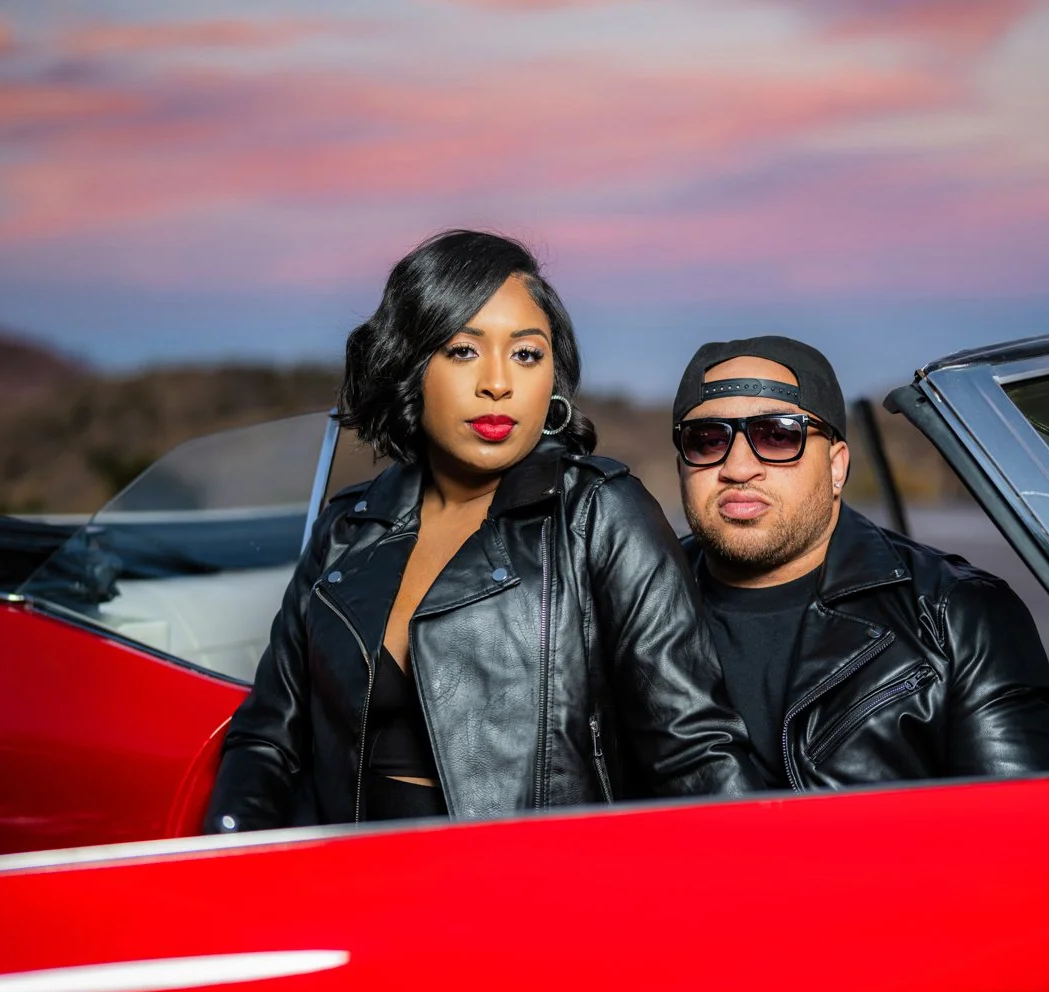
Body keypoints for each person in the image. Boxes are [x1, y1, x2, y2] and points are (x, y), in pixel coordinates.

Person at [206, 231, 756, 830]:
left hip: (531, 895)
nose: (498, 383)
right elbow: (267, 741)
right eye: (464, 350)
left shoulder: (599, 512)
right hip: (347, 888)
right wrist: (230, 862)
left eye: (526, 354)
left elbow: (693, 749)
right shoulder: (348, 528)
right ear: (410, 366)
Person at [672, 335, 1049, 790]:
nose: (739, 467)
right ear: (682, 466)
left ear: (835, 467)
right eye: (706, 441)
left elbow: (1033, 834)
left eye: (778, 435)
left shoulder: (957, 615)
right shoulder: (624, 608)